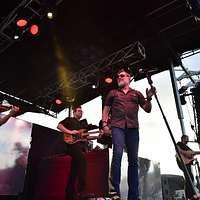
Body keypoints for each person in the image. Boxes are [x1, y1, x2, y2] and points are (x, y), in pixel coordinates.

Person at [102, 66, 156, 200]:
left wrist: (149, 98)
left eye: (122, 75)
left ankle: (134, 196)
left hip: (132, 129)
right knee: (117, 155)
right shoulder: (113, 93)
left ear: (129, 78)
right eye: (118, 76)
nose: (119, 77)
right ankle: (114, 192)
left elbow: (147, 109)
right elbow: (106, 109)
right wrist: (104, 124)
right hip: (117, 127)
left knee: (133, 161)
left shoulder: (136, 93)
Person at [57, 105, 89, 200]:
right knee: (82, 161)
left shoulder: (83, 125)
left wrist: (98, 136)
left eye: (81, 111)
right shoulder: (69, 120)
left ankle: (69, 193)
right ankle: (82, 191)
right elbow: (59, 126)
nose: (80, 112)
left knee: (74, 171)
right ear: (74, 112)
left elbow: (86, 137)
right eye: (79, 111)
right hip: (71, 146)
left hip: (80, 147)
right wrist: (71, 132)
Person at [176, 134, 199, 200]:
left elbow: (192, 152)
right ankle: (190, 195)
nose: (188, 140)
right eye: (187, 139)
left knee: (190, 178)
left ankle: (189, 195)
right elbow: (181, 151)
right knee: (189, 178)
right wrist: (187, 153)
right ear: (183, 139)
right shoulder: (179, 144)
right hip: (184, 163)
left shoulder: (186, 147)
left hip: (187, 163)